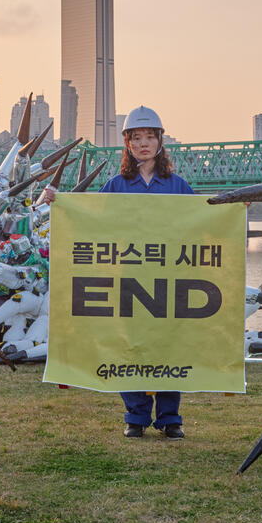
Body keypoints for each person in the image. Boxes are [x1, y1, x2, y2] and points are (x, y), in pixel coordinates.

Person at [99, 106, 194, 440]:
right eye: (136, 138)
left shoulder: (177, 185)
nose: (143, 144)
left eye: (149, 137)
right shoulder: (116, 185)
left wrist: (236, 209)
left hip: (170, 280)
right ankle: (135, 417)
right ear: (127, 143)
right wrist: (59, 203)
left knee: (170, 346)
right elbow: (89, 221)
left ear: (159, 141)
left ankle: (171, 418)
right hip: (128, 280)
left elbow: (203, 221)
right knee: (132, 346)